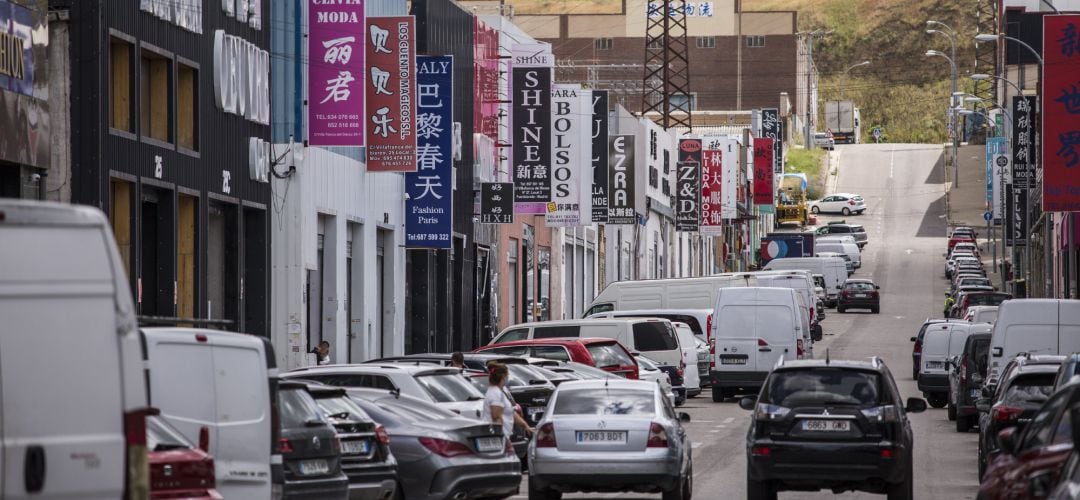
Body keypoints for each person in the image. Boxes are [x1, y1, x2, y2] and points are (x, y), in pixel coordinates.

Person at [482, 362, 532, 438]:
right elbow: (496, 417)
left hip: (505, 436)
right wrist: (501, 436)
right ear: (503, 376)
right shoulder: (495, 393)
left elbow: (512, 413)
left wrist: (525, 425)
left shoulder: (500, 391)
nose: (508, 377)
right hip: (499, 437)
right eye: (507, 375)